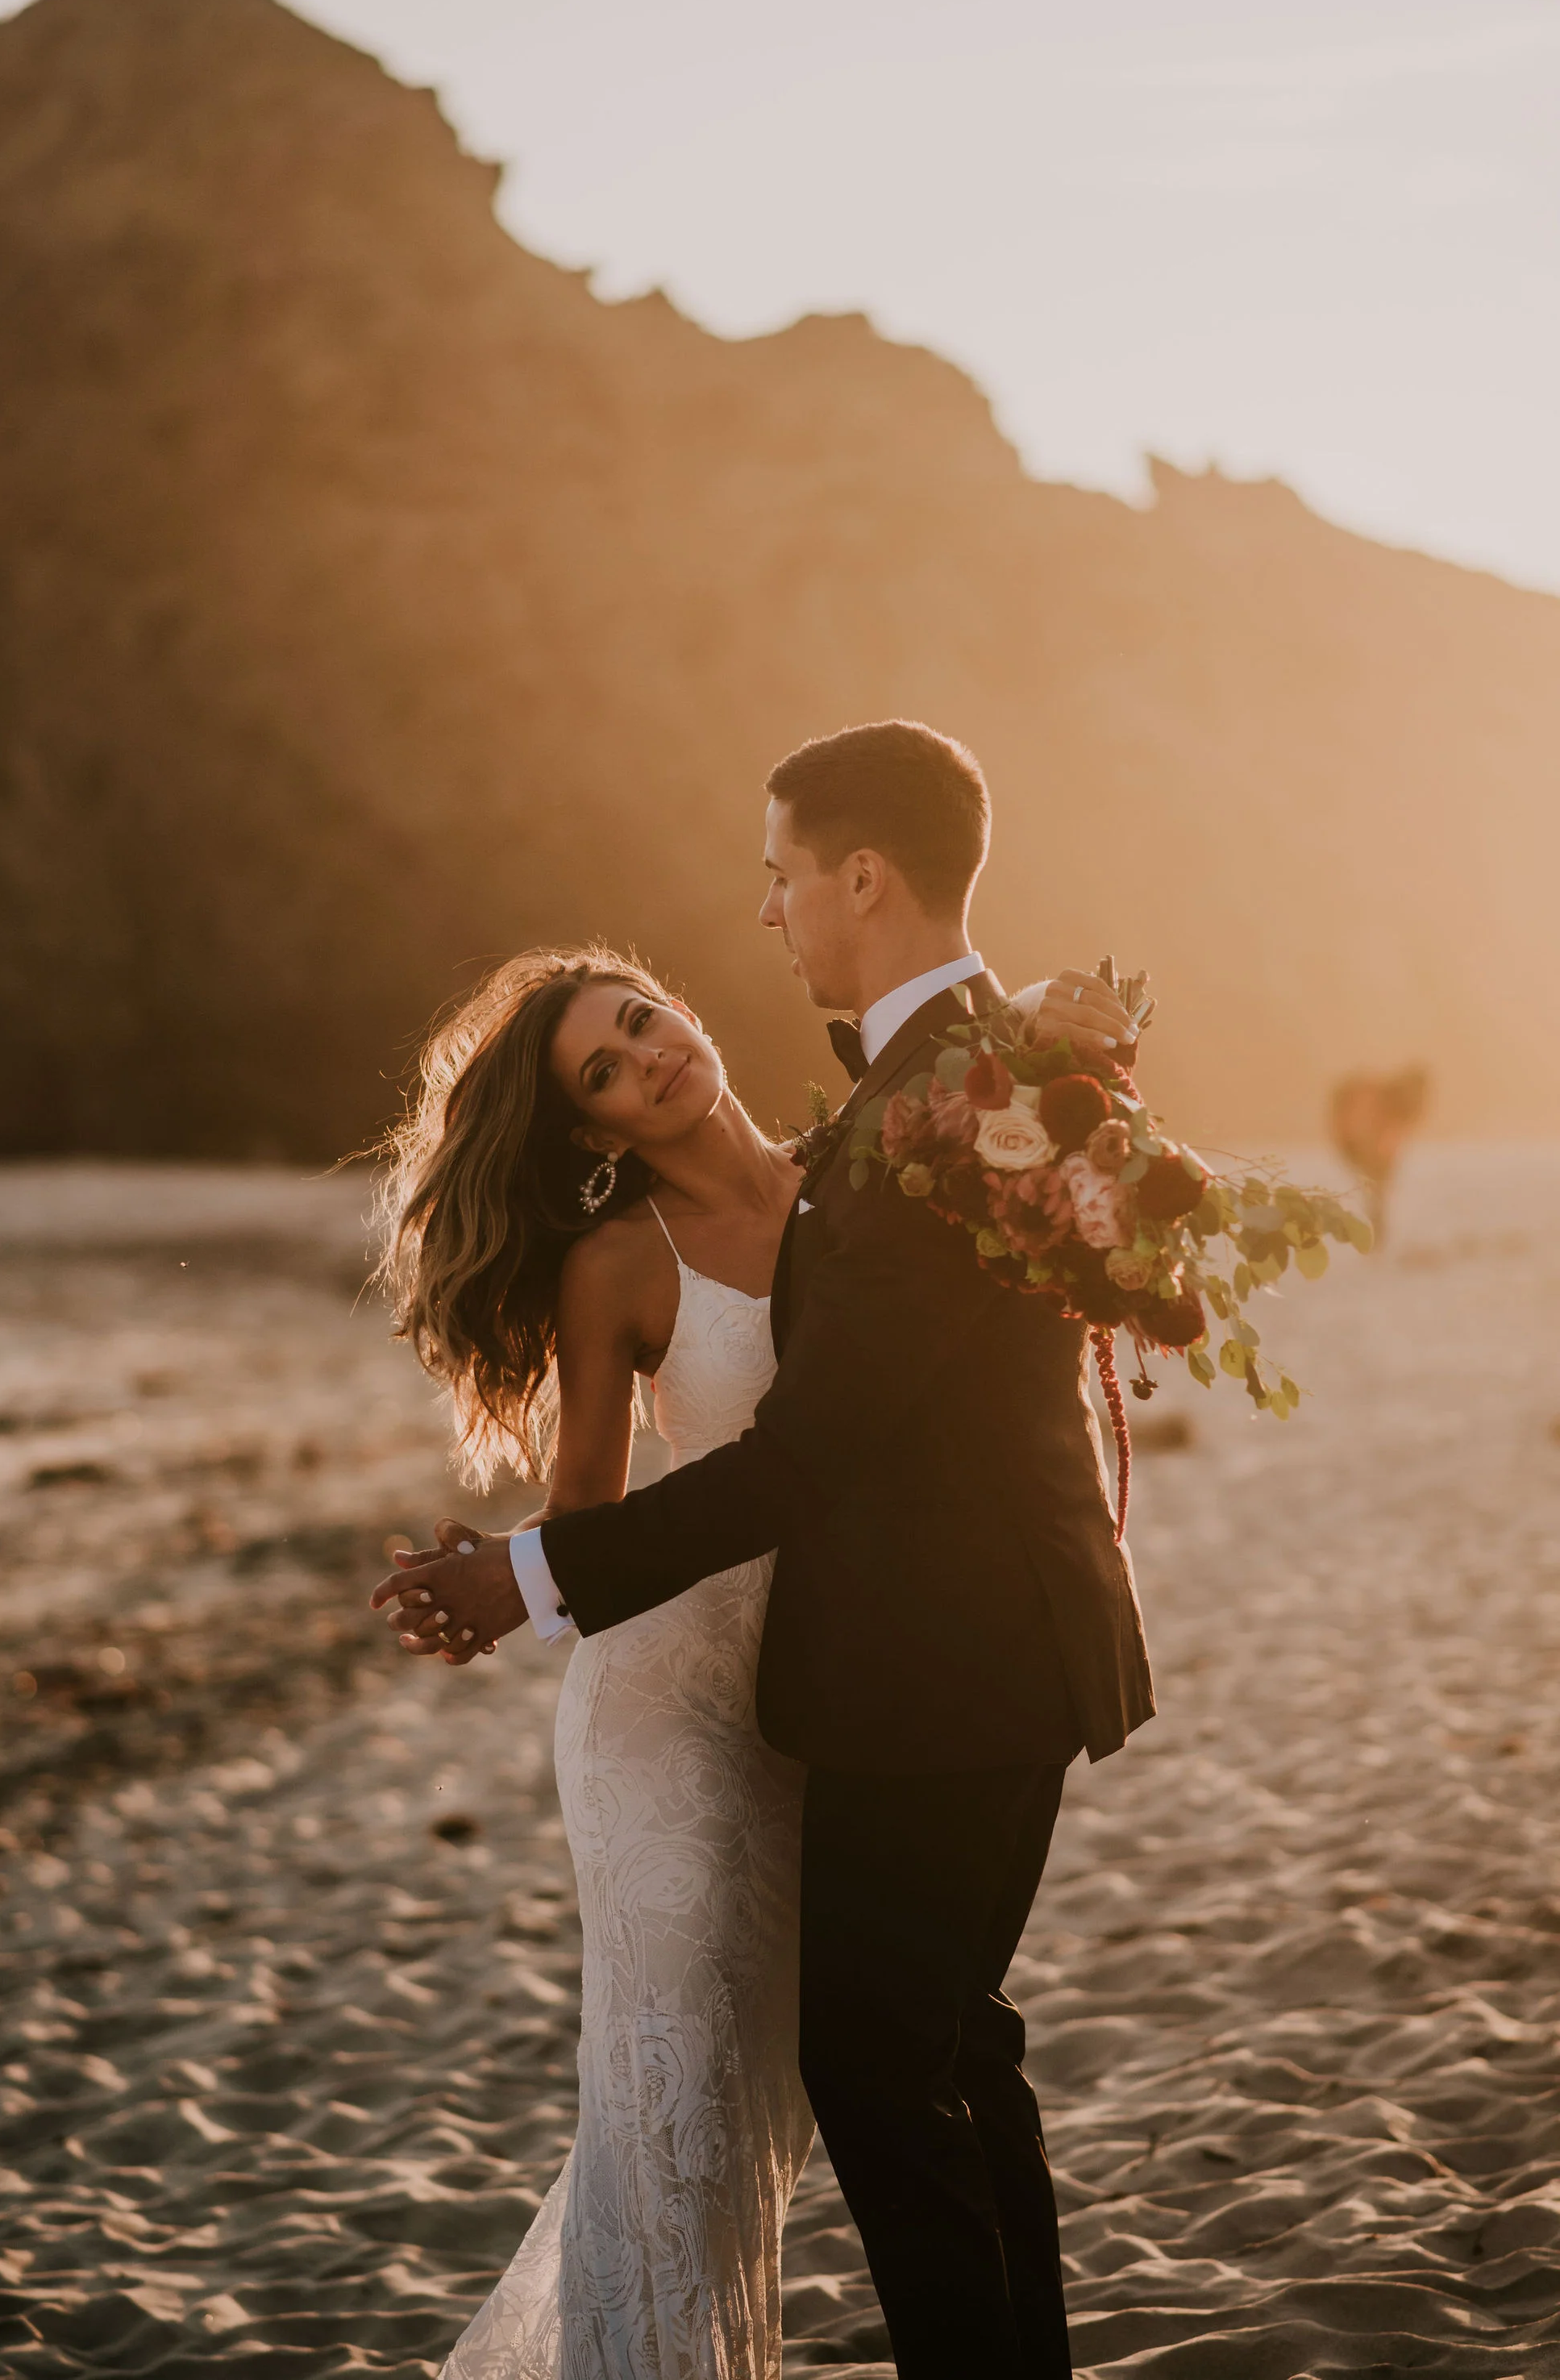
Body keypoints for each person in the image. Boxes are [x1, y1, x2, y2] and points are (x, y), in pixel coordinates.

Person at [373, 718, 1154, 2379]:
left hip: (905, 1663)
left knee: (891, 2062)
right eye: (604, 1064)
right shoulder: (894, 1121)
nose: (763, 918)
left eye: (780, 881)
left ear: (853, 879)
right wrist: (519, 1568)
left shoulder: (884, 1136)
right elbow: (620, 1501)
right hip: (756, 1682)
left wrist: (515, 1584)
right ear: (588, 1125)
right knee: (869, 2061)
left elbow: (820, 1449)